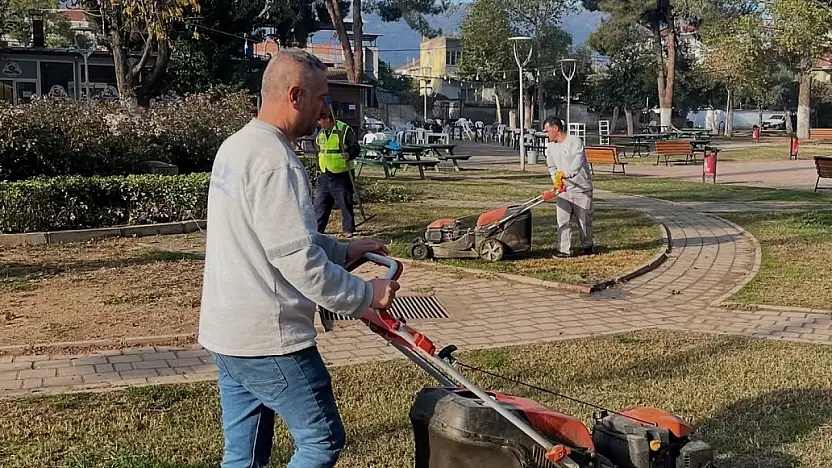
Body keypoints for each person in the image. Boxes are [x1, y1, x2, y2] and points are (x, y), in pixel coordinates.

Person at [198, 48, 401, 468]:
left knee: (243, 455)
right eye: (323, 97)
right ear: (295, 96)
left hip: (228, 335)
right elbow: (297, 261)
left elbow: (278, 238)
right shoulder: (276, 161)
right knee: (321, 440)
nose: (325, 108)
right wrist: (366, 295)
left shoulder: (236, 147)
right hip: (270, 340)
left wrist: (344, 250)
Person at [542, 116, 594, 258]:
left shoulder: (575, 141)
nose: (546, 135)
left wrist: (566, 174)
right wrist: (556, 181)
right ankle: (564, 250)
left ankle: (587, 245)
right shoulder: (551, 147)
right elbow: (552, 167)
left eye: (547, 131)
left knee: (584, 221)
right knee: (562, 221)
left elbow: (578, 162)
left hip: (581, 189)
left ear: (556, 128)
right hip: (563, 190)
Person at [313, 113, 361, 237]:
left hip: (341, 173)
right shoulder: (321, 133)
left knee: (344, 201)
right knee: (321, 202)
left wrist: (349, 155)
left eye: (321, 120)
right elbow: (320, 150)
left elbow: (356, 147)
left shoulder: (344, 130)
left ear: (328, 119)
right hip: (325, 173)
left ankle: (348, 229)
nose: (319, 123)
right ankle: (318, 229)